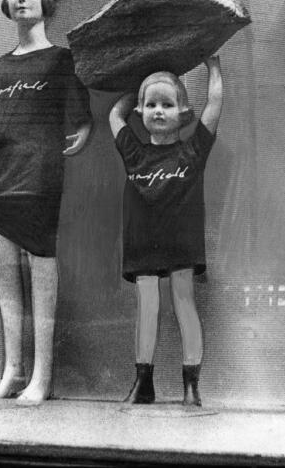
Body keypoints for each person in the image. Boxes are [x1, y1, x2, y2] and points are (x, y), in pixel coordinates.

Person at [0, 0, 93, 402]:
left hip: (39, 178)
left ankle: (41, 375)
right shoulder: (0, 66)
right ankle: (12, 371)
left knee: (41, 271)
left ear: (46, 1)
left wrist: (84, 129)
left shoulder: (61, 60)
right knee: (7, 275)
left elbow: (80, 118)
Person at [108, 57, 223, 407]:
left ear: (183, 111)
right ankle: (143, 382)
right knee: (147, 307)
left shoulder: (193, 149)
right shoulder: (134, 151)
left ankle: (191, 384)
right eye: (152, 104)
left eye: (168, 104)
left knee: (184, 304)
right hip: (142, 244)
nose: (159, 111)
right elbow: (115, 115)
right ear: (141, 109)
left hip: (181, 244)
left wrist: (213, 67)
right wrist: (136, 78)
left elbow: (215, 103)